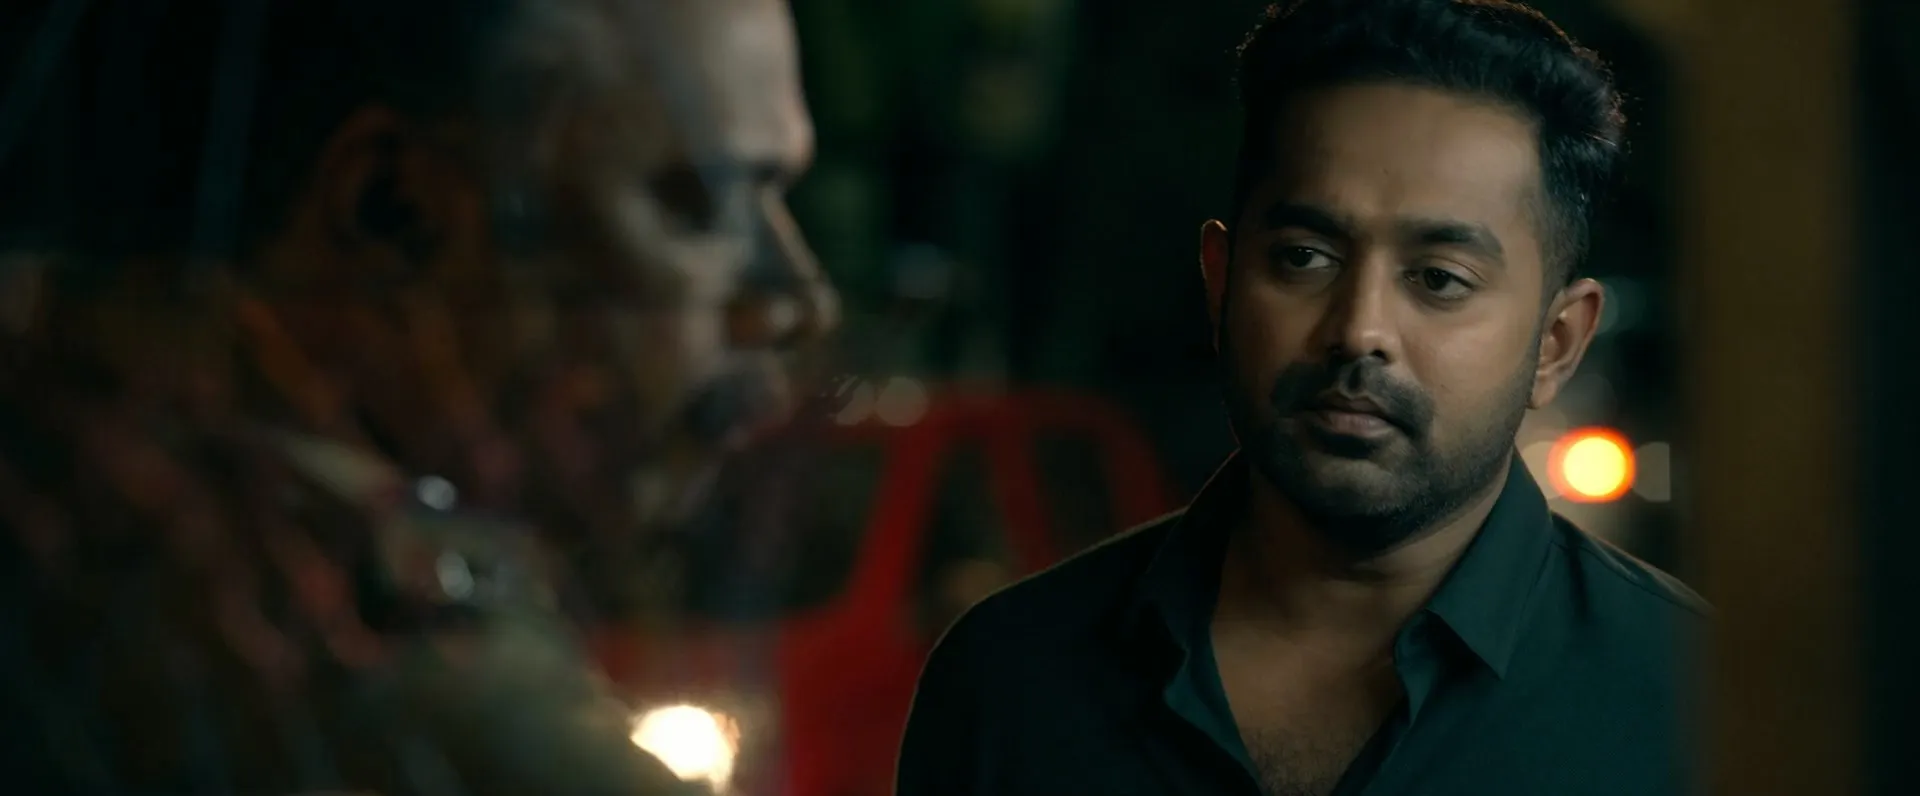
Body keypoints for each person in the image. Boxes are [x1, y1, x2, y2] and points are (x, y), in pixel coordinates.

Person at [0, 0, 833, 793]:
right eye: (696, 206)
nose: (800, 301)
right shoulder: (279, 603)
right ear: (392, 207)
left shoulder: (119, 470)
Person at [896, 1, 1707, 794]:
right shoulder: (1012, 682)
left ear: (1557, 343)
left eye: (1438, 279)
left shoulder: (1694, 705)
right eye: (1304, 258)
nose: (1358, 330)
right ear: (1220, 281)